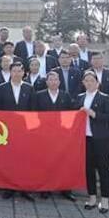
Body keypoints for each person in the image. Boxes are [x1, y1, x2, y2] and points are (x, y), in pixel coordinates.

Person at [33, 71, 77, 201]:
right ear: (46, 82)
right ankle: (45, 188)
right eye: (50, 80)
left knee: (63, 162)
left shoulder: (65, 95)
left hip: (61, 135)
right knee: (45, 162)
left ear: (59, 82)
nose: (53, 82)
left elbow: (71, 114)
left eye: (55, 79)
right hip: (44, 134)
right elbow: (34, 114)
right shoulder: (39, 95)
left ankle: (66, 189)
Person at [0, 62, 34, 201]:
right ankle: (8, 187)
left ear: (23, 73)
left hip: (24, 131)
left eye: (19, 71)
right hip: (7, 131)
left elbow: (33, 110)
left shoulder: (29, 88)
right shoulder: (1, 88)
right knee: (8, 160)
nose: (16, 74)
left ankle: (24, 188)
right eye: (14, 71)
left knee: (24, 160)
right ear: (10, 72)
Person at [77, 70, 109, 213]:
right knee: (89, 169)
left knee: (103, 169)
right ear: (83, 83)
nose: (89, 83)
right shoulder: (80, 97)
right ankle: (92, 197)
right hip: (85, 138)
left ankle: (104, 200)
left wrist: (93, 114)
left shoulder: (104, 98)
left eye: (92, 81)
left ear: (97, 83)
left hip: (101, 138)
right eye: (86, 81)